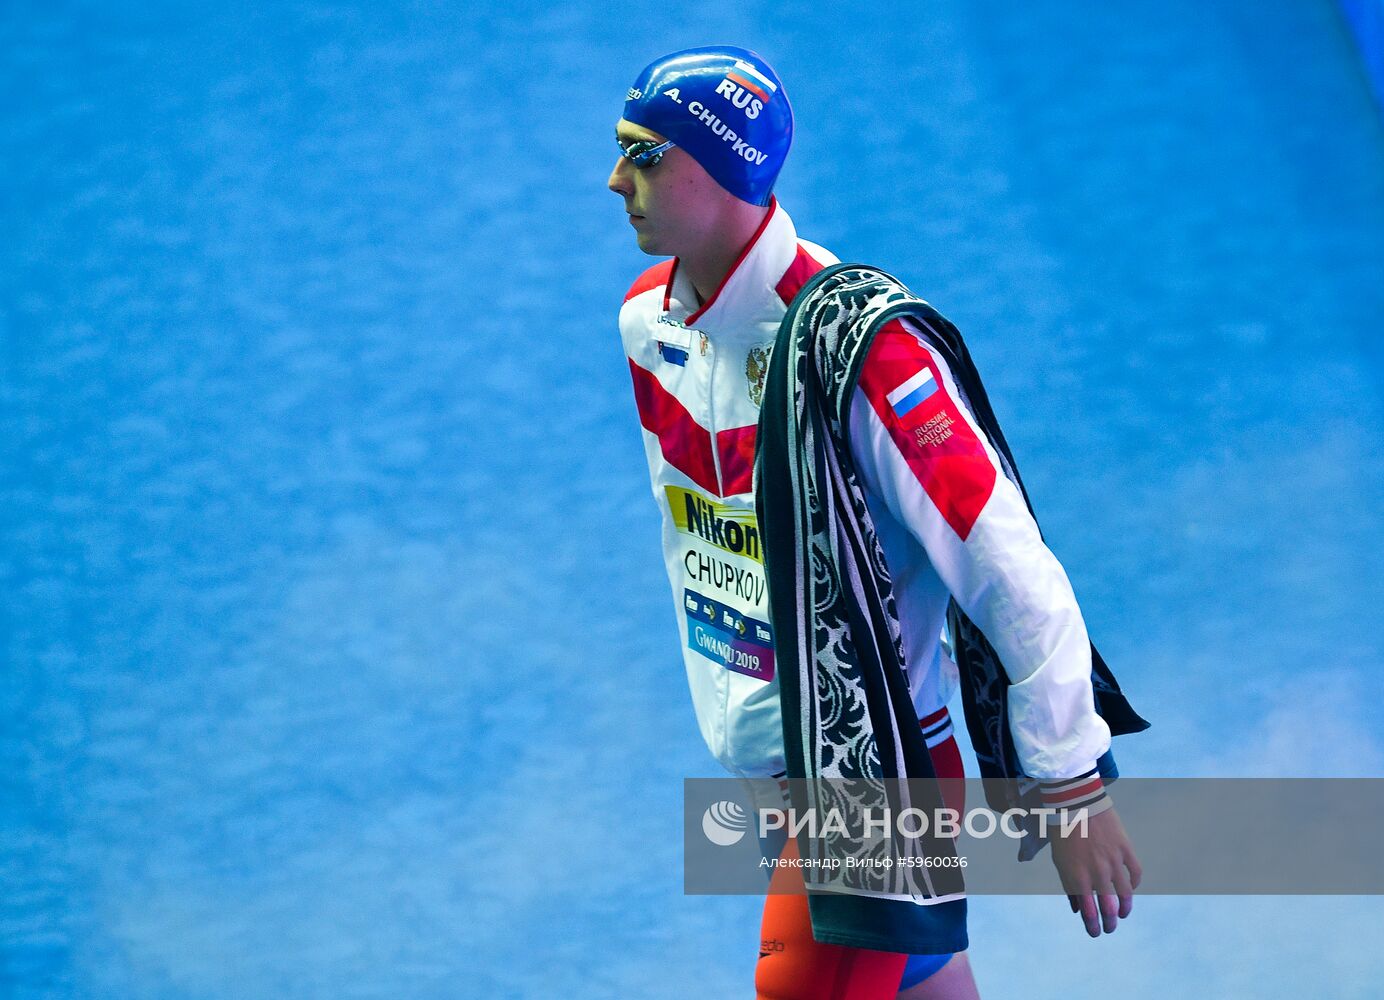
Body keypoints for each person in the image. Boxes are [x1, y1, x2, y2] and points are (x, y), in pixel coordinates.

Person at [608, 46, 1142, 1000]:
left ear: (722, 165)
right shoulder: (649, 326)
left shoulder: (870, 359)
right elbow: (703, 540)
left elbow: (1012, 567)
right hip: (773, 775)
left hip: (871, 783)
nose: (616, 181)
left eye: (644, 155)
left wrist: (1068, 781)